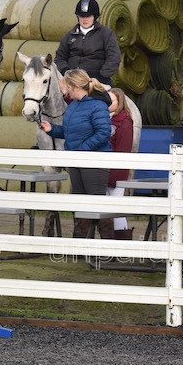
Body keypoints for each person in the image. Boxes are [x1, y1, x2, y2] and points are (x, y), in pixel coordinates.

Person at [39, 69, 111, 239]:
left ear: (74, 86)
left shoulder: (97, 106)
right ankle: (82, 244)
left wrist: (82, 150)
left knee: (97, 204)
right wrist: (52, 130)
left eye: (66, 85)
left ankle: (109, 245)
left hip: (94, 163)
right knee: (80, 203)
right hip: (77, 161)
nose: (64, 89)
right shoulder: (73, 106)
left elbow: (103, 132)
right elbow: (70, 132)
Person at [54, 0, 121, 87]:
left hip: (97, 81)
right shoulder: (69, 35)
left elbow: (114, 57)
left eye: (88, 16)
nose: (85, 19)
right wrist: (66, 72)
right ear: (78, 17)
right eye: (82, 16)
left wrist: (102, 76)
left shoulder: (106, 34)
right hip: (72, 81)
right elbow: (59, 58)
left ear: (95, 17)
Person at [106, 87, 134, 240]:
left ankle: (122, 240)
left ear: (119, 102)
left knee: (116, 208)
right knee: (111, 208)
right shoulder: (106, 118)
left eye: (112, 100)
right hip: (106, 170)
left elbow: (123, 150)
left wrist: (114, 176)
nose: (108, 103)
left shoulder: (124, 122)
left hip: (116, 171)